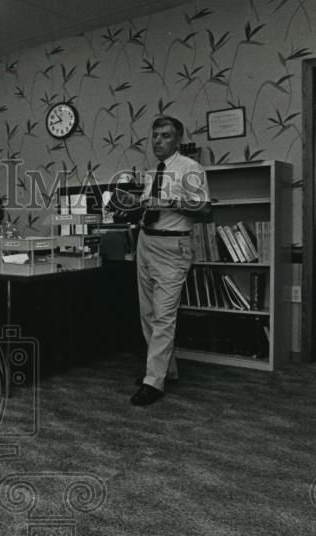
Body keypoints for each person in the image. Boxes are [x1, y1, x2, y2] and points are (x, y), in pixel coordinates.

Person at [131, 116, 210, 407]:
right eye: (154, 136)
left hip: (172, 245)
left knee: (164, 315)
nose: (158, 141)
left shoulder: (191, 169)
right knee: (148, 312)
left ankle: (154, 382)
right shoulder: (153, 173)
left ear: (178, 140)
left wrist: (170, 203)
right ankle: (165, 371)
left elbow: (204, 207)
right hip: (146, 241)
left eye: (165, 136)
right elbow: (149, 205)